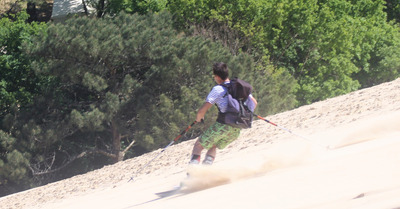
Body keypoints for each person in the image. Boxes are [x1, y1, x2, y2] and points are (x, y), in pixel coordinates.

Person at [189, 62, 257, 165]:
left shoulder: (217, 89)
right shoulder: (238, 87)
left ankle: (191, 175)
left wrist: (199, 118)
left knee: (199, 145)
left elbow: (203, 110)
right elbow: (254, 103)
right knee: (213, 145)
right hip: (237, 128)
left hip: (223, 125)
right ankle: (205, 171)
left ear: (216, 76)